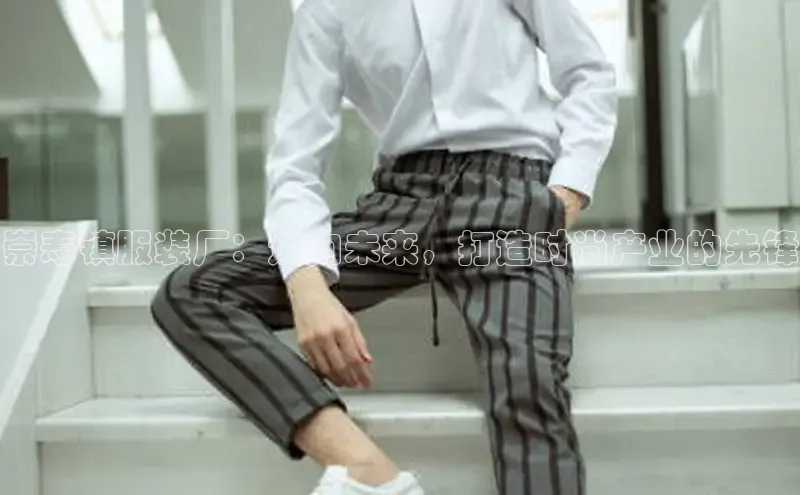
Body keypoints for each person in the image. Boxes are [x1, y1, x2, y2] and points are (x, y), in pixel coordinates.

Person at [150, 0, 617, 493]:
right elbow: (295, 167)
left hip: (510, 195)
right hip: (401, 202)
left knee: (529, 383)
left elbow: (587, 72)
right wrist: (308, 289)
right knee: (194, 290)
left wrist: (567, 191)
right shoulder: (326, 11)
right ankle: (369, 473)